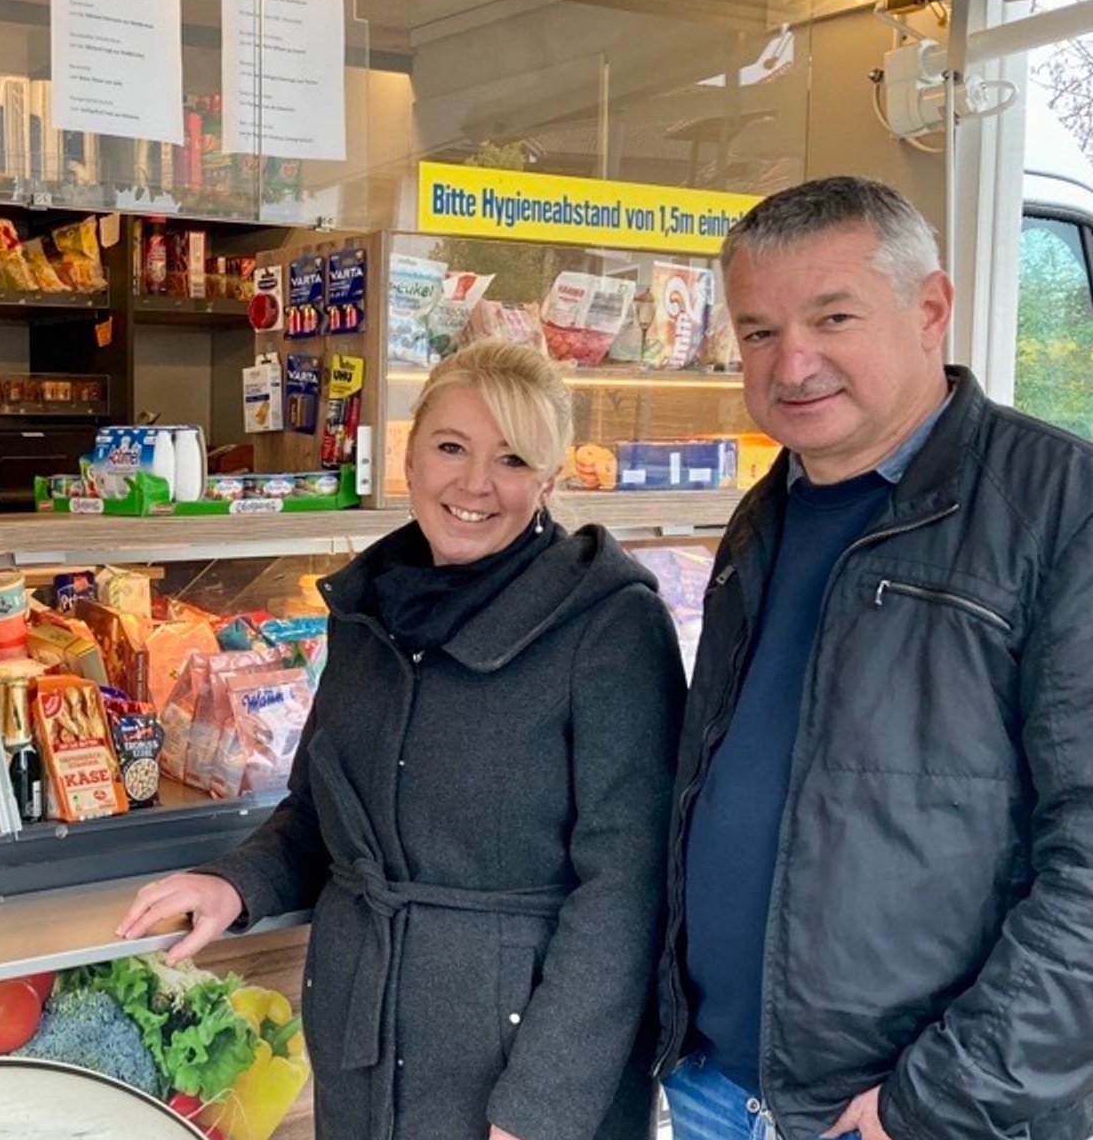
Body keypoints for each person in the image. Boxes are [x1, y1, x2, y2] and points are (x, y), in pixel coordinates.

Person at [120, 340, 684, 1140]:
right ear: (410, 458)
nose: (475, 484)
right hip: (364, 1047)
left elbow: (627, 894)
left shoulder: (611, 626)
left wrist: (540, 1111)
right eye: (451, 448)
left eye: (513, 459)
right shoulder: (369, 611)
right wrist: (235, 883)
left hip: (519, 1070)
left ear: (549, 482)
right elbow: (320, 811)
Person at [655, 175, 1093, 1140]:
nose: (792, 361)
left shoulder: (1060, 509)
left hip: (913, 1111)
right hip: (718, 1088)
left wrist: (936, 1099)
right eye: (759, 331)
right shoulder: (764, 517)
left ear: (930, 309)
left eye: (833, 316)